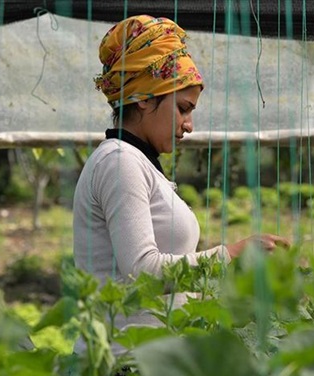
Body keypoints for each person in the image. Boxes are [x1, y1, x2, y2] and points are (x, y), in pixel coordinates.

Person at [72, 15, 289, 353]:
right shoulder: (119, 162)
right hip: (123, 368)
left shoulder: (136, 162)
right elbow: (143, 272)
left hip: (153, 361)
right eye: (184, 109)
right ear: (145, 97)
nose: (189, 125)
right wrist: (229, 254)